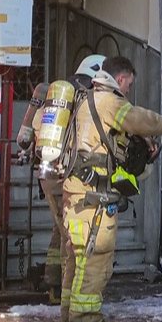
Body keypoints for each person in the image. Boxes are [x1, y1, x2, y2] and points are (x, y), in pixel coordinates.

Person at [61, 56, 162, 322]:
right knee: (96, 258)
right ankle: (86, 320)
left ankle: (69, 315)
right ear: (120, 79)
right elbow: (142, 120)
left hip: (76, 193)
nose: (128, 90)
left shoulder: (85, 100)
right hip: (93, 198)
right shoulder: (109, 101)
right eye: (129, 84)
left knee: (76, 259)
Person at [16, 54, 106, 304]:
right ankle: (69, 295)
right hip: (65, 175)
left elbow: (34, 132)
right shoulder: (83, 99)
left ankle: (54, 284)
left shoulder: (57, 96)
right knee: (72, 236)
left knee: (61, 228)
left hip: (48, 174)